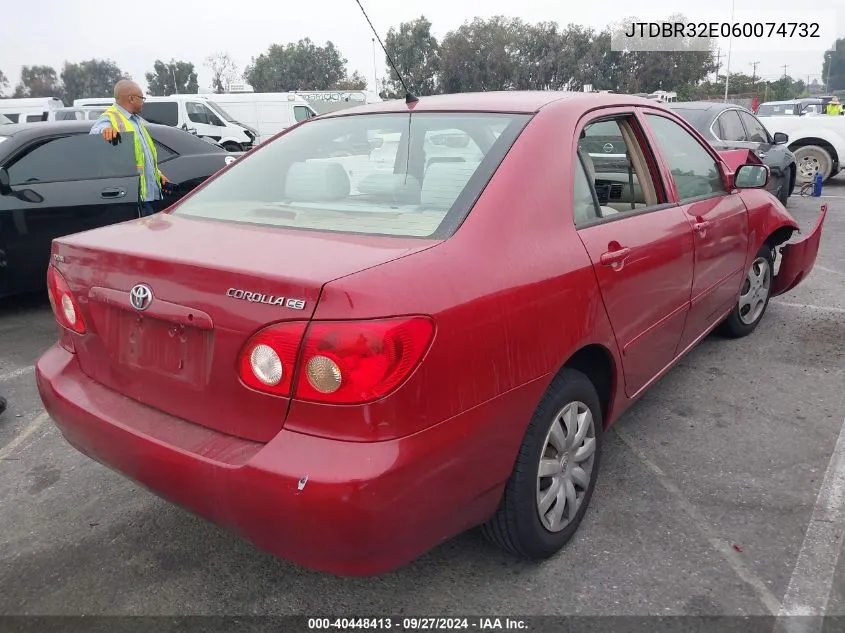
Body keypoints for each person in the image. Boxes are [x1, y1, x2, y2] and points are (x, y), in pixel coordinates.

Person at [90, 80, 169, 217]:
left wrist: (157, 174)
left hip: (147, 196)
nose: (143, 101)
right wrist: (105, 130)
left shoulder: (135, 120)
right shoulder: (111, 118)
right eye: (141, 98)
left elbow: (141, 154)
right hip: (134, 198)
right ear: (131, 99)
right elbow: (95, 132)